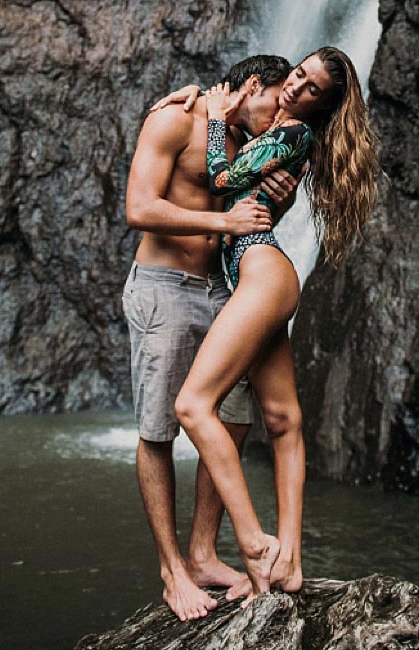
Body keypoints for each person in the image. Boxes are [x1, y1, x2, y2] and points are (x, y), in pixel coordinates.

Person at [167, 47, 379, 600]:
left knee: (193, 405)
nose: (297, 87)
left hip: (261, 269)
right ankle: (291, 564)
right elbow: (239, 99)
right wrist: (200, 97)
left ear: (323, 105)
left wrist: (213, 122)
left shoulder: (295, 137)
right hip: (265, 275)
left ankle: (254, 544)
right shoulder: (277, 129)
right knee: (283, 420)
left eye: (311, 88)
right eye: (300, 74)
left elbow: (221, 177)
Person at [121, 54, 302, 620]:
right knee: (158, 429)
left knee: (237, 417)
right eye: (277, 100)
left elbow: (256, 216)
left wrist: (284, 196)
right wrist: (224, 221)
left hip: (222, 288)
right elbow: (139, 207)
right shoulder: (176, 119)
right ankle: (172, 570)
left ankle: (203, 552)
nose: (280, 117)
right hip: (164, 286)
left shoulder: (248, 144)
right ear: (253, 86)